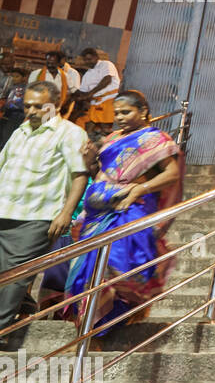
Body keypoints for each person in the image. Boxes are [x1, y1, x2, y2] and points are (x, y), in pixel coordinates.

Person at [65, 91, 182, 330]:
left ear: (143, 112)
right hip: (98, 215)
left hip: (129, 211)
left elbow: (172, 174)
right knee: (88, 270)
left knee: (116, 265)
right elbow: (102, 172)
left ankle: (110, 322)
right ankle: (91, 328)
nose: (120, 117)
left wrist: (141, 189)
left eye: (126, 112)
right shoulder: (113, 138)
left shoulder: (155, 139)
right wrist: (89, 160)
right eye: (117, 112)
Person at [0, 82, 89, 327]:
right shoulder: (21, 131)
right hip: (3, 211)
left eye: (39, 107)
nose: (31, 112)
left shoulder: (70, 133)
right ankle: (24, 307)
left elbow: (79, 174)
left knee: (14, 276)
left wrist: (66, 213)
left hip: (36, 216)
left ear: (56, 105)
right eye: (27, 106)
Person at [71, 48, 120, 137]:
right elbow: (82, 91)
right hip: (94, 104)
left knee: (106, 129)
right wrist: (74, 96)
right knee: (83, 123)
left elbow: (107, 79)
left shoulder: (106, 64)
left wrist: (90, 94)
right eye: (85, 60)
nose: (88, 62)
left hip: (109, 100)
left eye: (90, 59)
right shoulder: (87, 74)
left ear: (96, 57)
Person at [28, 50, 80, 117]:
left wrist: (67, 105)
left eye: (53, 63)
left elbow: (74, 91)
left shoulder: (65, 76)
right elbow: (29, 92)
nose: (50, 65)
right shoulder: (36, 74)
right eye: (48, 63)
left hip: (58, 110)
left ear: (59, 63)